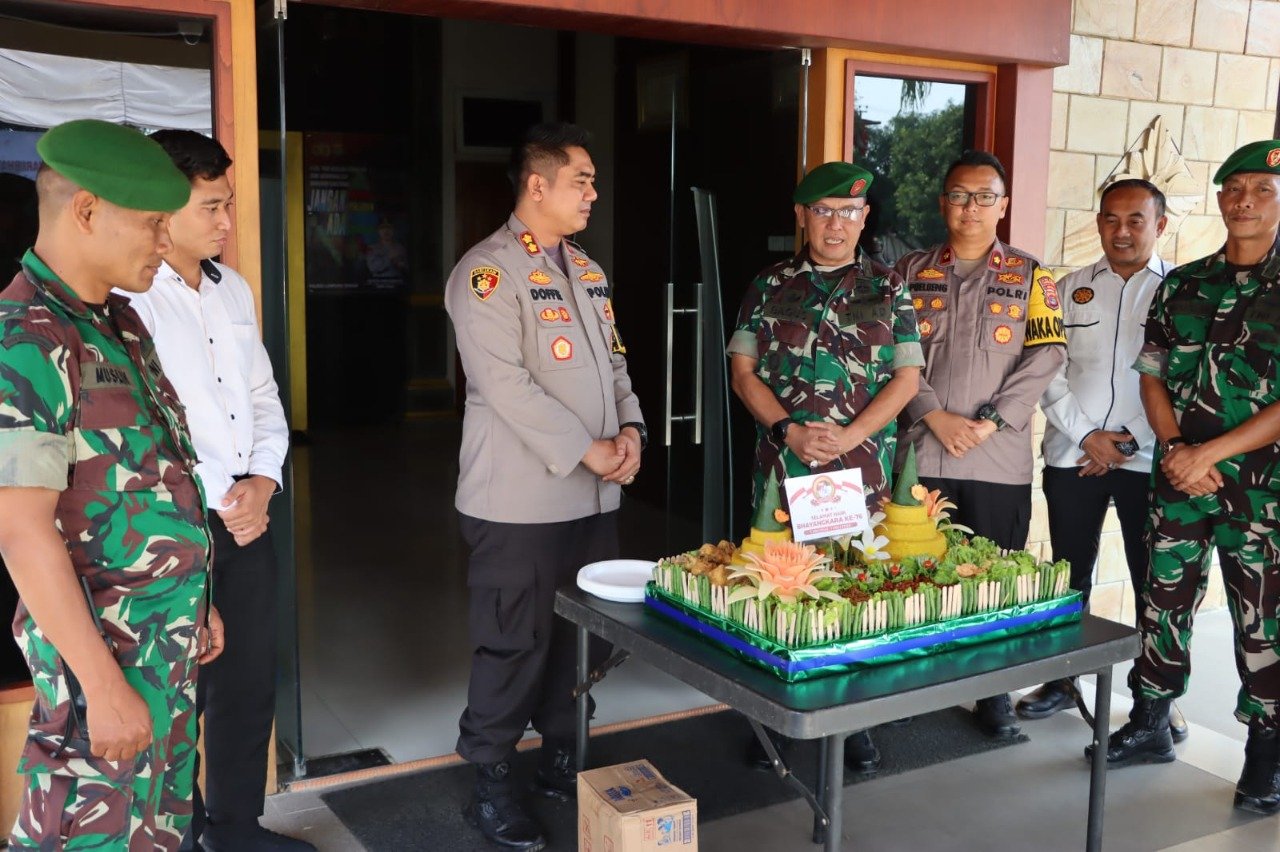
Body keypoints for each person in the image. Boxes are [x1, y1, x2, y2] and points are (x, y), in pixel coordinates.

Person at [0, 119, 224, 850]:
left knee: (157, 833)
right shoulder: (28, 340)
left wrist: (198, 600)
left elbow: (158, 476)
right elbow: (20, 531)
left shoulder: (117, 323)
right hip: (103, 676)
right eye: (154, 224)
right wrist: (101, 686)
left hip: (164, 652)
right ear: (87, 210)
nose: (166, 242)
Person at [444, 122, 645, 851]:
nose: (593, 192)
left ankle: (563, 755)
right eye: (581, 179)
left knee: (578, 643)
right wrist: (586, 449)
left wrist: (631, 434)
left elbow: (617, 367)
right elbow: (505, 386)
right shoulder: (487, 273)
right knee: (512, 641)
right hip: (519, 503)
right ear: (538, 185)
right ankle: (492, 782)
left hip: (592, 497)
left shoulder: (587, 271)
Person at [121, 129, 309, 852]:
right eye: (213, 206)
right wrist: (219, 497)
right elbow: (140, 433)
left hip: (246, 519)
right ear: (162, 211)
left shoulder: (233, 289)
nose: (228, 222)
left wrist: (263, 480)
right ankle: (181, 828)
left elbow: (262, 397)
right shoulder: (125, 300)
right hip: (173, 523)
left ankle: (236, 829)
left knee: (246, 680)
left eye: (228, 204)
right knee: (174, 686)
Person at [1093, 140, 1280, 816]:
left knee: (1262, 618)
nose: (1246, 202)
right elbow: (1152, 373)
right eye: (1235, 190)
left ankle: (1266, 749)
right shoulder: (1186, 283)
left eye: (1262, 189)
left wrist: (1211, 454)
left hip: (1260, 491)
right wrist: (1176, 447)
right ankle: (1149, 722)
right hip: (1177, 475)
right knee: (1162, 600)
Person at [728, 161, 922, 772]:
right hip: (783, 471)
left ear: (864, 219)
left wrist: (850, 438)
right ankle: (777, 723)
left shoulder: (889, 287)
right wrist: (789, 430)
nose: (835, 225)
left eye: (848, 212)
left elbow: (908, 377)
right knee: (777, 591)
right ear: (802, 217)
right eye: (823, 211)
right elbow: (743, 373)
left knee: (854, 590)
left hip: (858, 473)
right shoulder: (767, 286)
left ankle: (853, 725)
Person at [894, 150, 1066, 739]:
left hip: (997, 457)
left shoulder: (1031, 275)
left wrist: (990, 419)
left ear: (1004, 205)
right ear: (944, 202)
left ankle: (993, 696)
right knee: (914, 577)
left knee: (993, 581)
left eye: (984, 196)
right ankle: (908, 690)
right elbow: (894, 356)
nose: (971, 207)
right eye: (960, 195)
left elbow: (1047, 355)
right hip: (921, 453)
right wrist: (932, 414)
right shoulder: (909, 272)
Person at [1018, 179, 1187, 739]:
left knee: (1153, 582)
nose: (1121, 231)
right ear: (1098, 224)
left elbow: (1178, 382)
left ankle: (1156, 697)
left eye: (1135, 220)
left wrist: (1127, 444)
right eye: (1111, 219)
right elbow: (1045, 371)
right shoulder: (1068, 289)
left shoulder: (1180, 292)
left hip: (1149, 462)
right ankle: (1064, 681)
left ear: (1159, 225)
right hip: (1073, 454)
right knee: (1069, 575)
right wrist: (1090, 437)